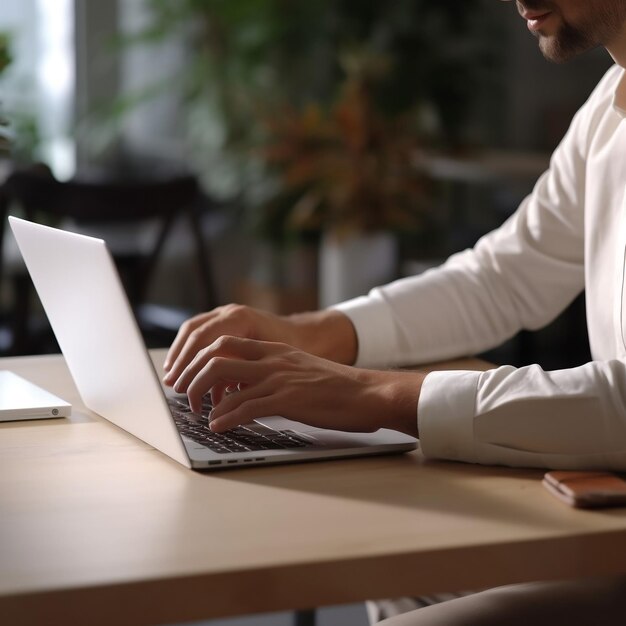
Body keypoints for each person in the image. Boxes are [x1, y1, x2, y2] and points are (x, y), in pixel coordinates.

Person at [162, 0, 626, 623]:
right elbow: (504, 277)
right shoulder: (610, 102)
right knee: (402, 572)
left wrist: (376, 394)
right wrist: (312, 333)